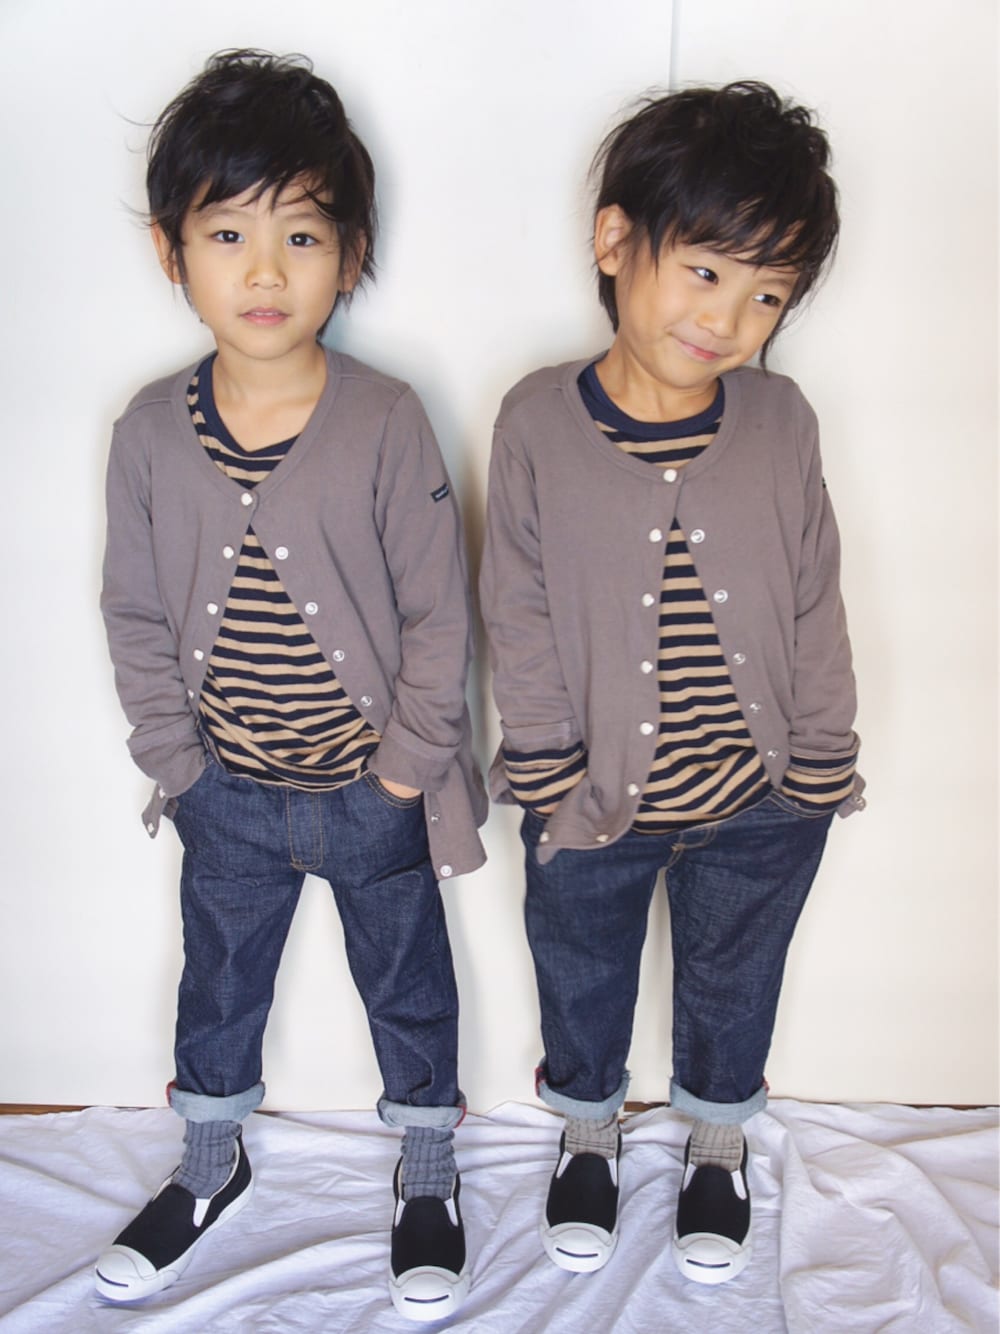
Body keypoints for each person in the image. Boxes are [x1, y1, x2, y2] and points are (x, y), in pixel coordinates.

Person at [96, 49, 485, 1322]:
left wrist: (402, 776)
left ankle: (426, 1169)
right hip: (229, 796)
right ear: (172, 251)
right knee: (216, 987)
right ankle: (210, 1162)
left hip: (373, 794)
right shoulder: (148, 431)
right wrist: (182, 770)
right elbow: (133, 611)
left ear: (351, 254)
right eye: (228, 233)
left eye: (302, 235)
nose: (265, 271)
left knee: (408, 985)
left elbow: (438, 612)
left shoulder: (384, 419)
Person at [480, 81, 865, 1287]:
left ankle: (715, 1138)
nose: (729, 318)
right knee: (581, 973)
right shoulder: (536, 421)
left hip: (761, 796)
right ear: (615, 240)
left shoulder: (781, 419)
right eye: (705, 271)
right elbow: (517, 607)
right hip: (591, 796)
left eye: (767, 294)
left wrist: (819, 762)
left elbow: (813, 589)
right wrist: (548, 770)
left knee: (735, 980)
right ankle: (588, 1130)